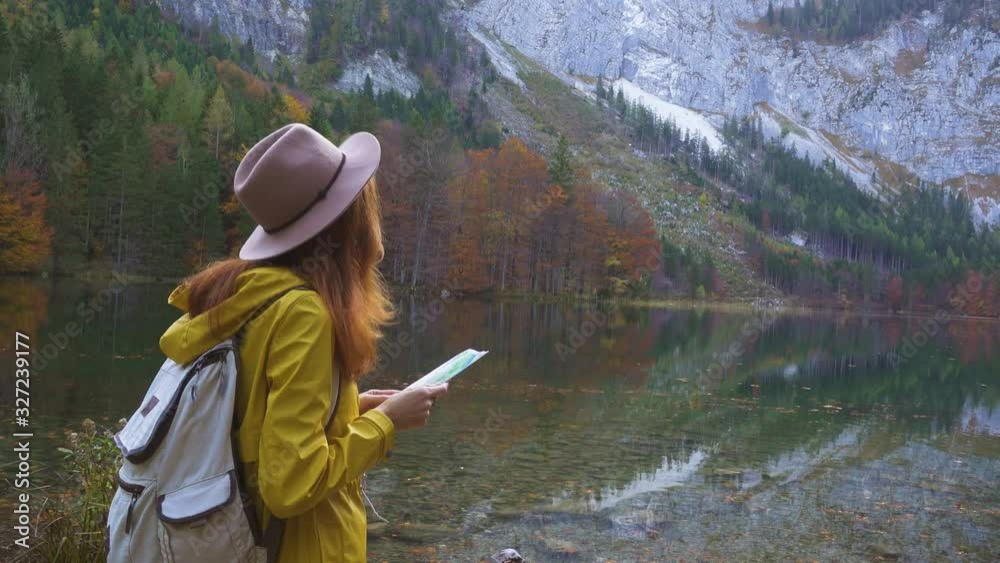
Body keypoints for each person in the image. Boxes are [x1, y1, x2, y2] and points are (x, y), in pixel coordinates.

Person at [158, 123, 448, 562]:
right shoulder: (305, 314)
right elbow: (290, 485)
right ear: (348, 222)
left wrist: (349, 409)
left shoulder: (249, 297)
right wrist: (385, 423)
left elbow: (255, 428)